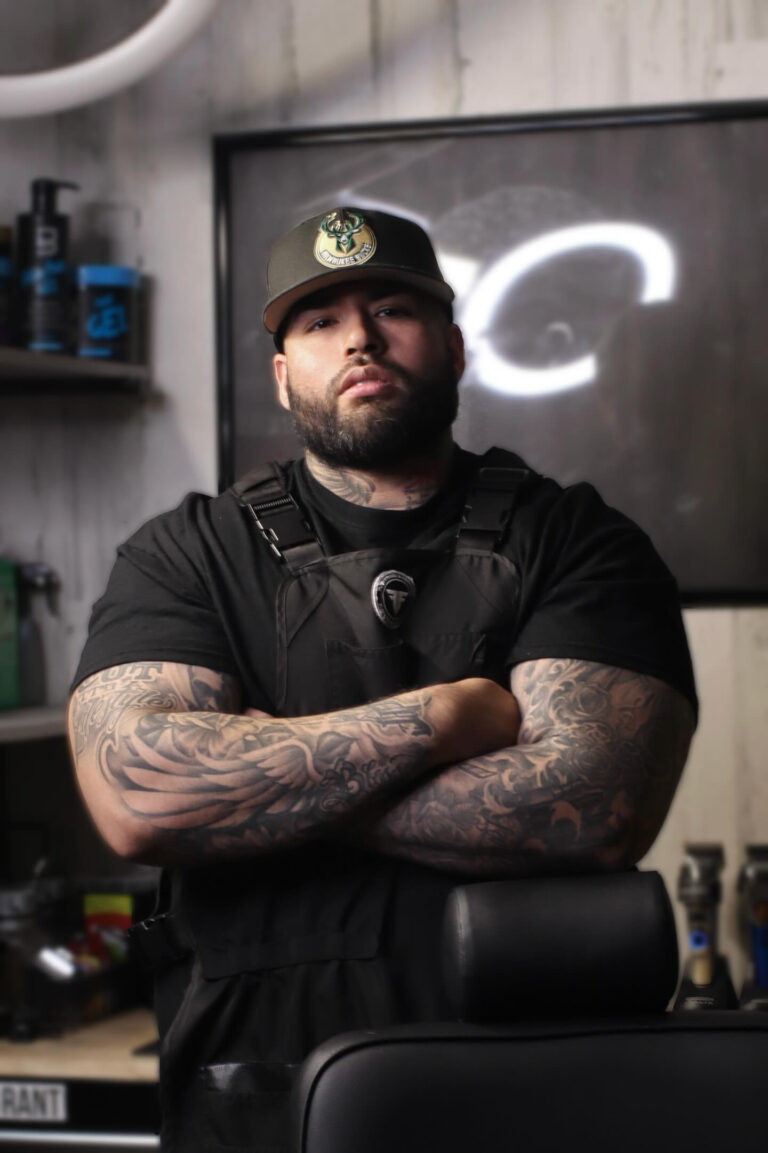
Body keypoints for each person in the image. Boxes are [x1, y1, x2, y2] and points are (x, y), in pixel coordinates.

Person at [68, 206, 697, 1153]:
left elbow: (592, 801)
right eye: (318, 321)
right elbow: (138, 797)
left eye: (391, 306)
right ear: (283, 378)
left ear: (451, 345)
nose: (358, 335)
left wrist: (256, 779)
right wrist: (447, 717)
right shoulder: (186, 556)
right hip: (255, 1091)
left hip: (535, 1080)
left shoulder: (578, 541)